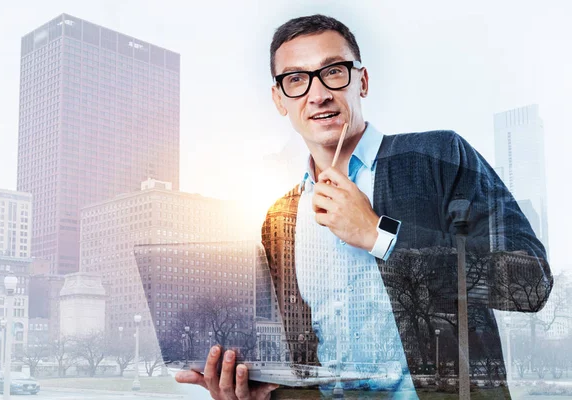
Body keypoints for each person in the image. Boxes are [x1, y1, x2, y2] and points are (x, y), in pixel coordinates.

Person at [176, 14, 553, 399]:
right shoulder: (280, 218)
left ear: (363, 81)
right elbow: (303, 363)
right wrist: (262, 394)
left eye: (333, 72)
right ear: (279, 99)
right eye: (296, 80)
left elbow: (530, 284)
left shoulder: (437, 157)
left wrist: (378, 234)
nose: (317, 94)